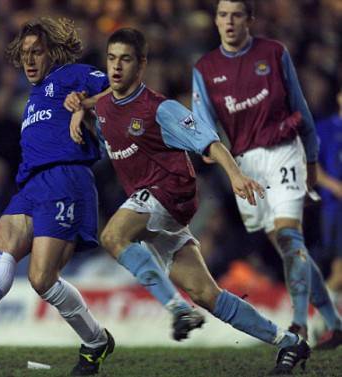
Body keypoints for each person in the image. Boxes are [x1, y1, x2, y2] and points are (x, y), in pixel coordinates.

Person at [66, 27, 311, 375]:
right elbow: (100, 106)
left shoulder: (160, 108)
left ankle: (178, 310)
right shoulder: (104, 105)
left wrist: (235, 175)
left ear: (142, 65)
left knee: (113, 236)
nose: (116, 67)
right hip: (155, 207)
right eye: (111, 58)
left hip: (172, 191)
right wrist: (81, 107)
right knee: (206, 294)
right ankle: (290, 343)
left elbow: (209, 142)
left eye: (126, 59)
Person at [0, 17, 114, 376]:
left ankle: (96, 341)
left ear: (53, 53)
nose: (29, 60)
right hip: (32, 185)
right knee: (1, 241)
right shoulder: (33, 96)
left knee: (42, 280)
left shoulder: (74, 74)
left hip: (66, 178)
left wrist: (87, 103)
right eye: (24, 53)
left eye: (37, 52)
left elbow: (122, 90)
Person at [192, 0, 342, 349]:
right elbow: (202, 122)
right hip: (245, 162)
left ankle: (300, 326)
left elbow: (299, 107)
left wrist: (312, 160)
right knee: (285, 247)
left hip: (283, 150)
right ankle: (334, 322)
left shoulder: (273, 54)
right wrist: (213, 154)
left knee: (290, 238)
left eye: (237, 15)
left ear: (250, 20)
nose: (229, 22)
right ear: (216, 20)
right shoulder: (205, 68)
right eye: (223, 15)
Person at [316, 88, 342, 310]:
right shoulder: (325, 129)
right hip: (335, 209)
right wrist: (336, 187)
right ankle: (319, 320)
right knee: (340, 272)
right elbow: (313, 168)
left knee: (339, 271)